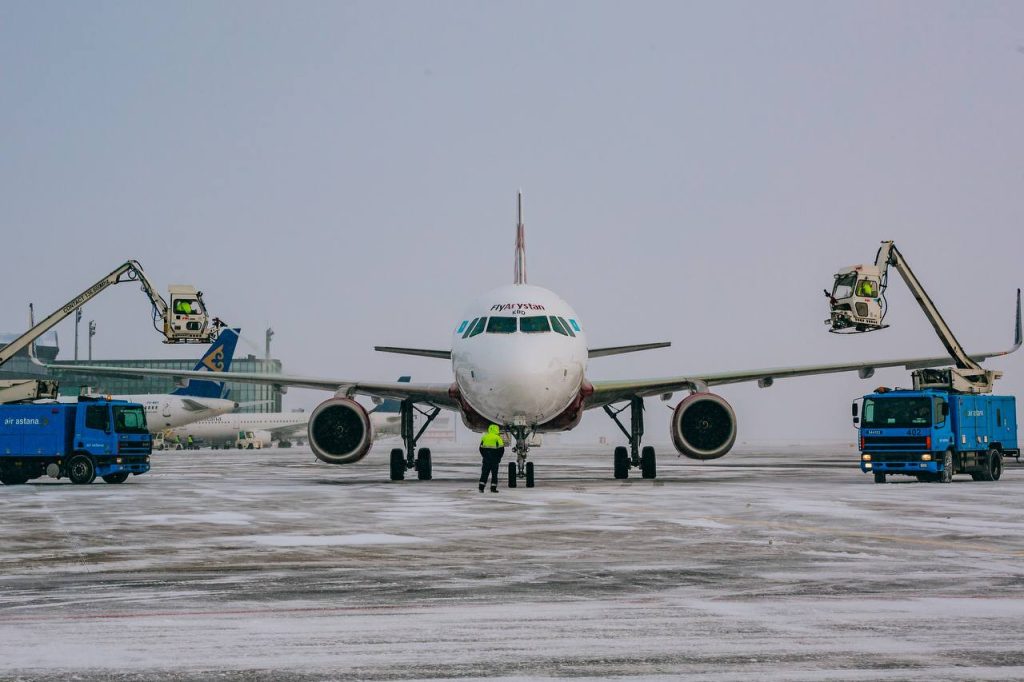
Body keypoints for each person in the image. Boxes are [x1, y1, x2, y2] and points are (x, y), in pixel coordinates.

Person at [479, 424, 505, 493]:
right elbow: (501, 450)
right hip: (494, 460)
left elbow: (481, 448)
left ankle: (481, 488)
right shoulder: (497, 438)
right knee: (494, 475)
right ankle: (493, 489)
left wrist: (484, 456)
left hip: (486, 459)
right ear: (497, 430)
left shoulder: (485, 437)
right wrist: (498, 458)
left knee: (484, 474)